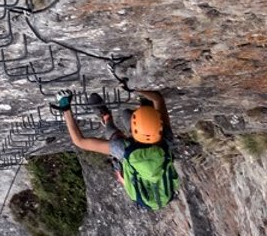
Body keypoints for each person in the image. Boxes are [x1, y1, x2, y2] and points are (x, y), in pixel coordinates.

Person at [51, 88, 179, 210]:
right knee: (126, 114)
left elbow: (157, 99)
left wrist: (65, 108)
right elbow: (79, 142)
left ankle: (106, 118)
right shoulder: (165, 138)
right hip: (159, 187)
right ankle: (138, 110)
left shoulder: (124, 150)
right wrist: (65, 107)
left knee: (115, 135)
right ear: (160, 127)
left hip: (131, 171)